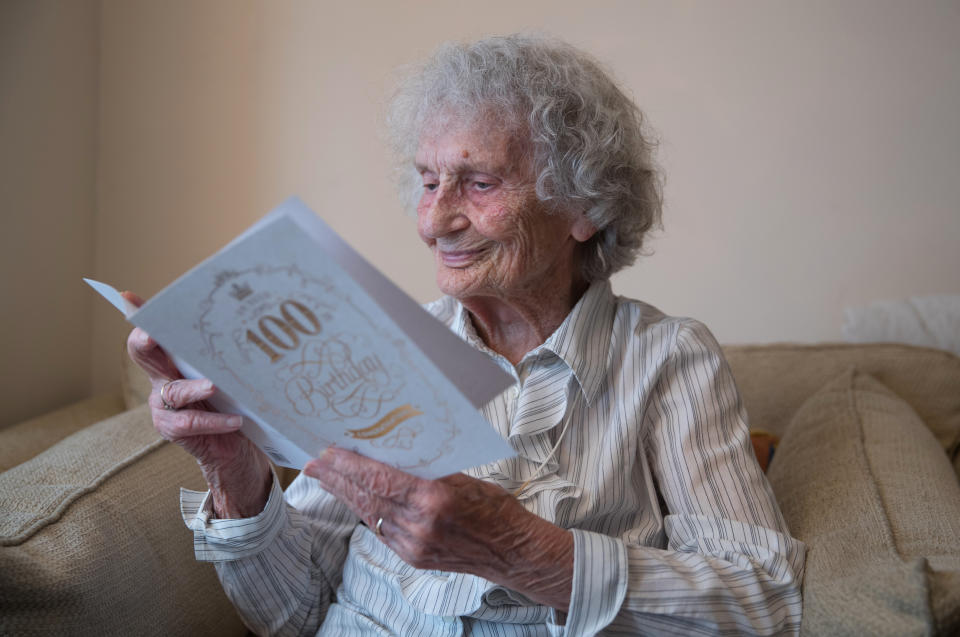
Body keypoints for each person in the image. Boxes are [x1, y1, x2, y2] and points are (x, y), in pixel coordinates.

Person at [126, 34, 805, 635]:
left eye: (479, 182)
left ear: (585, 206)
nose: (433, 222)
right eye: (428, 181)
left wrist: (522, 550)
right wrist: (235, 473)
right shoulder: (377, 343)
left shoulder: (666, 360)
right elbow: (293, 612)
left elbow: (767, 602)